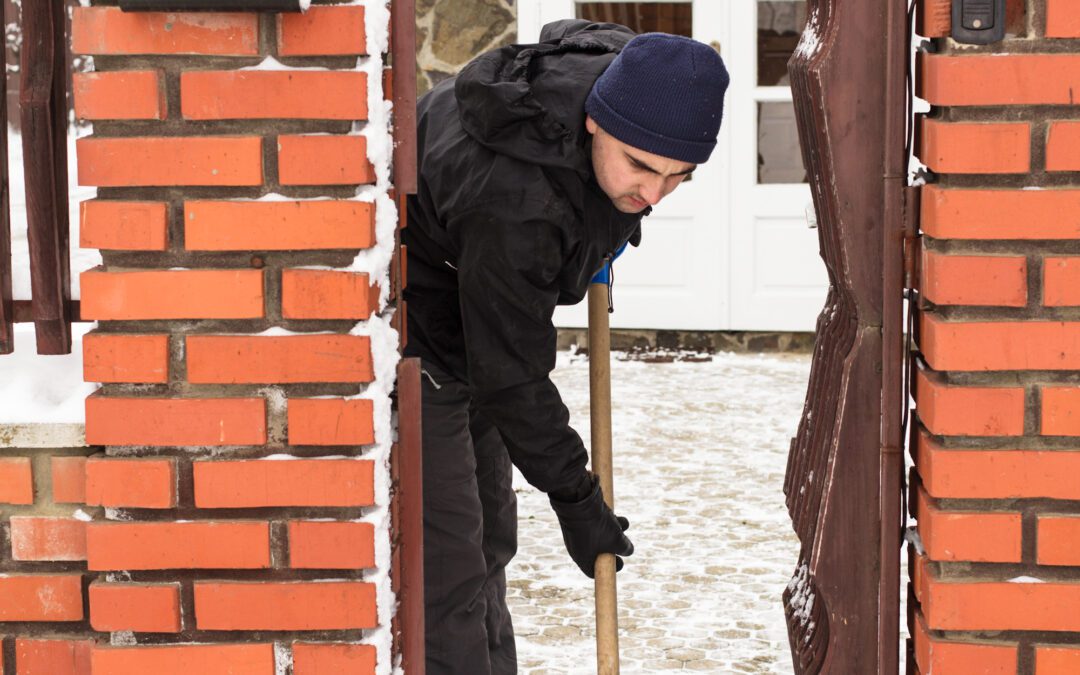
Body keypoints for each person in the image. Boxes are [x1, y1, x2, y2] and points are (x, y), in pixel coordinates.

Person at [402, 19, 729, 674]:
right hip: (415, 320)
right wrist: (578, 500)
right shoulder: (518, 202)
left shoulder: (616, 74)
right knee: (449, 565)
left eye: (678, 178)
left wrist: (609, 224)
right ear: (594, 124)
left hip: (481, 302)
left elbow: (575, 30)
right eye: (641, 167)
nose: (653, 194)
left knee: (493, 538)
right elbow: (513, 378)